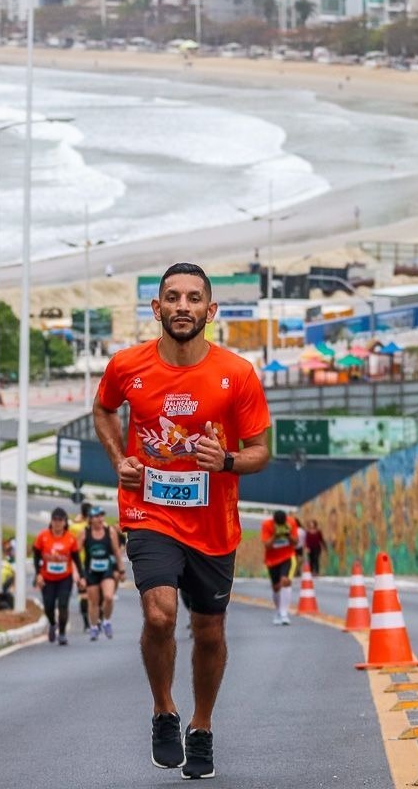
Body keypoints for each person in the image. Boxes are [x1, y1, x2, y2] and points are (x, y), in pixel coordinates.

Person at [93, 262, 271, 780]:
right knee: (159, 616)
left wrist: (230, 461)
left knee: (210, 631)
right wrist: (117, 460)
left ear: (210, 311)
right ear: (157, 309)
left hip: (214, 523)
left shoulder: (236, 373)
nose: (183, 307)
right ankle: (164, 710)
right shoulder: (128, 365)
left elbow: (261, 450)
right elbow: (104, 410)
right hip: (150, 511)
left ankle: (202, 725)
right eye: (173, 298)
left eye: (194, 299)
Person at [34, 507, 84, 646]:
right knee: (49, 606)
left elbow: (76, 559)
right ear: (51, 521)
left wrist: (81, 576)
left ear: (64, 522)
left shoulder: (70, 538)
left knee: (63, 605)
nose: (57, 523)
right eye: (55, 519)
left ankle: (62, 633)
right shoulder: (43, 536)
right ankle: (52, 623)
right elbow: (36, 556)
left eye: (60, 520)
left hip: (64, 578)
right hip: (47, 578)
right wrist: (37, 574)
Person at [82, 506, 124, 641]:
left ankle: (107, 621)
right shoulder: (85, 533)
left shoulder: (109, 531)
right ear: (91, 519)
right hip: (91, 571)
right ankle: (94, 627)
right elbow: (74, 552)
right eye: (97, 516)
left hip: (107, 569)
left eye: (102, 516)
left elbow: (117, 552)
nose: (100, 519)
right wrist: (78, 573)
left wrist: (121, 569)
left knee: (108, 597)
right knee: (93, 602)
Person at [261, 510, 298, 626]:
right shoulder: (267, 525)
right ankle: (278, 611)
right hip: (272, 560)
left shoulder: (291, 522)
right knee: (276, 587)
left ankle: (284, 613)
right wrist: (275, 535)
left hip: (287, 557)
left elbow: (295, 542)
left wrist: (288, 535)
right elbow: (267, 545)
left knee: (285, 581)